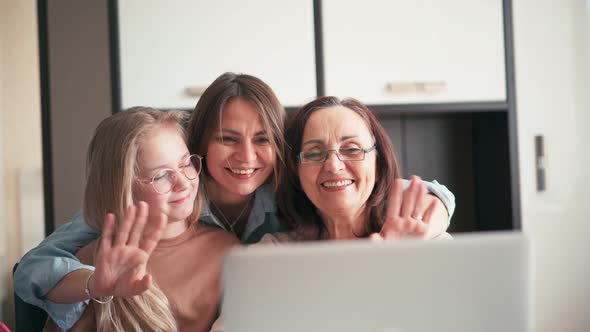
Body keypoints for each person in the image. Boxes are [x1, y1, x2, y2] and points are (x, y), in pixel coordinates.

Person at [14, 73, 455, 330]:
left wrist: (431, 212)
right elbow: (33, 268)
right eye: (227, 139)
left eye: (263, 140)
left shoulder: (279, 198)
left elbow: (404, 195)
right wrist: (95, 286)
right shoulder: (133, 220)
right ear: (200, 144)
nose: (247, 158)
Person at [44, 107, 239, 331]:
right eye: (162, 175)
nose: (184, 182)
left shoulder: (227, 251)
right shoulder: (93, 262)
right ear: (123, 188)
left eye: (186, 164)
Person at [270, 96, 453, 242]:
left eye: (351, 149)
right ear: (296, 171)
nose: (334, 166)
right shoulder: (274, 254)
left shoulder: (425, 242)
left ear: (378, 165)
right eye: (314, 154)